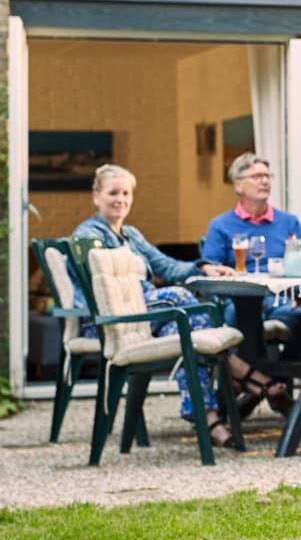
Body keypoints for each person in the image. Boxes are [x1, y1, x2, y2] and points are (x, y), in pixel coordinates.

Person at [72, 164, 275, 451]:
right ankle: (237, 368)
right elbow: (104, 292)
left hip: (144, 317)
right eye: (113, 193)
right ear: (96, 197)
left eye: (126, 193)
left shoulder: (130, 235)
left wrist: (205, 266)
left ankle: (207, 416)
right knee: (181, 299)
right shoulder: (88, 236)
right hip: (106, 323)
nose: (120, 199)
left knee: (182, 329)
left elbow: (166, 266)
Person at [200, 153, 301, 375]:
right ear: (238, 185)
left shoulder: (289, 222)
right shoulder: (220, 225)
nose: (265, 181)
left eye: (267, 176)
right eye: (257, 176)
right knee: (237, 318)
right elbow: (210, 270)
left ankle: (274, 376)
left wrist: (300, 291)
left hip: (281, 299)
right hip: (239, 300)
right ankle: (259, 383)